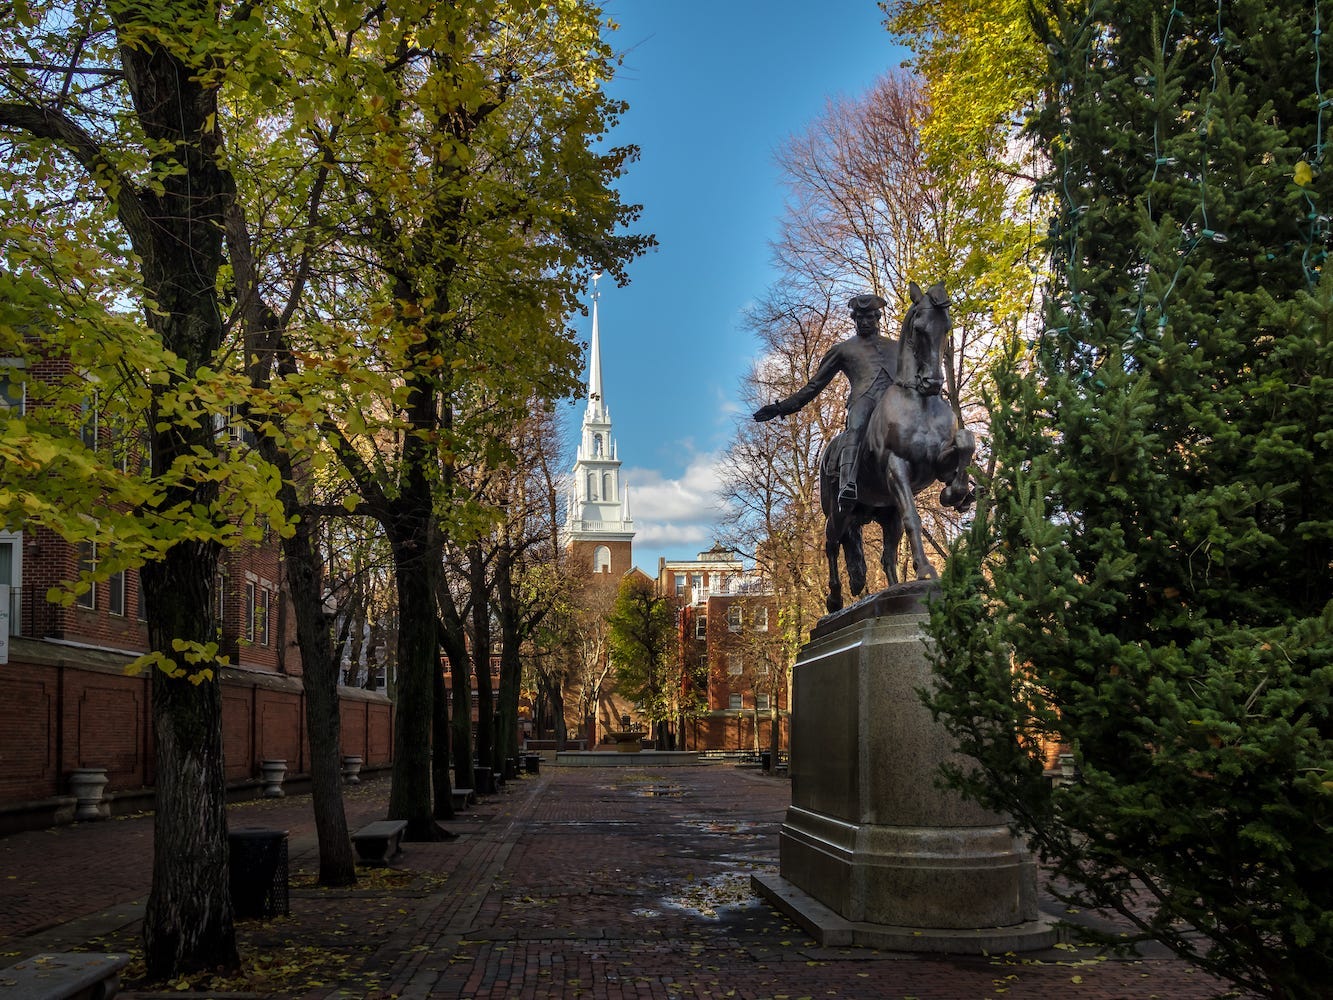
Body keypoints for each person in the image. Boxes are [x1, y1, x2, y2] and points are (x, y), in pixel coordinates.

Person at [753, 293, 895, 510]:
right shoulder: (843, 349)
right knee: (856, 427)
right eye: (860, 318)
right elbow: (814, 386)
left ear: (878, 318)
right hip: (863, 400)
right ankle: (848, 483)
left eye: (869, 318)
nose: (865, 322)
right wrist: (781, 407)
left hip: (894, 402)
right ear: (854, 320)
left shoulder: (897, 347)